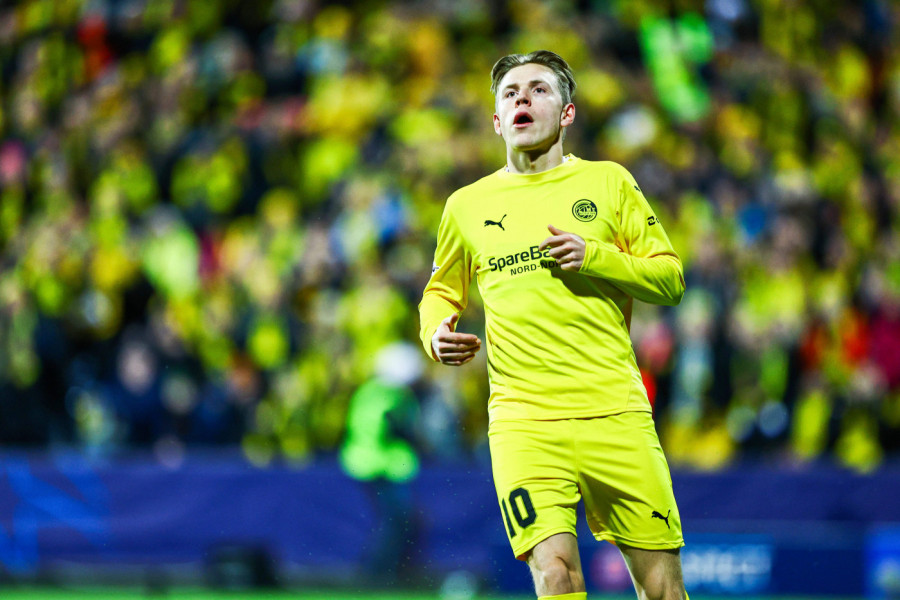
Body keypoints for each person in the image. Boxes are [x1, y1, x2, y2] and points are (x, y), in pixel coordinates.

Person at [418, 50, 687, 600]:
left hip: (615, 412)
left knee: (662, 588)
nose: (522, 97)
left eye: (539, 89)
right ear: (498, 121)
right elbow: (440, 289)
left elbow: (670, 279)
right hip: (523, 422)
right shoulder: (466, 205)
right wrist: (435, 332)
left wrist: (595, 256)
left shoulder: (609, 182)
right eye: (510, 92)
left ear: (566, 113)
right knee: (555, 575)